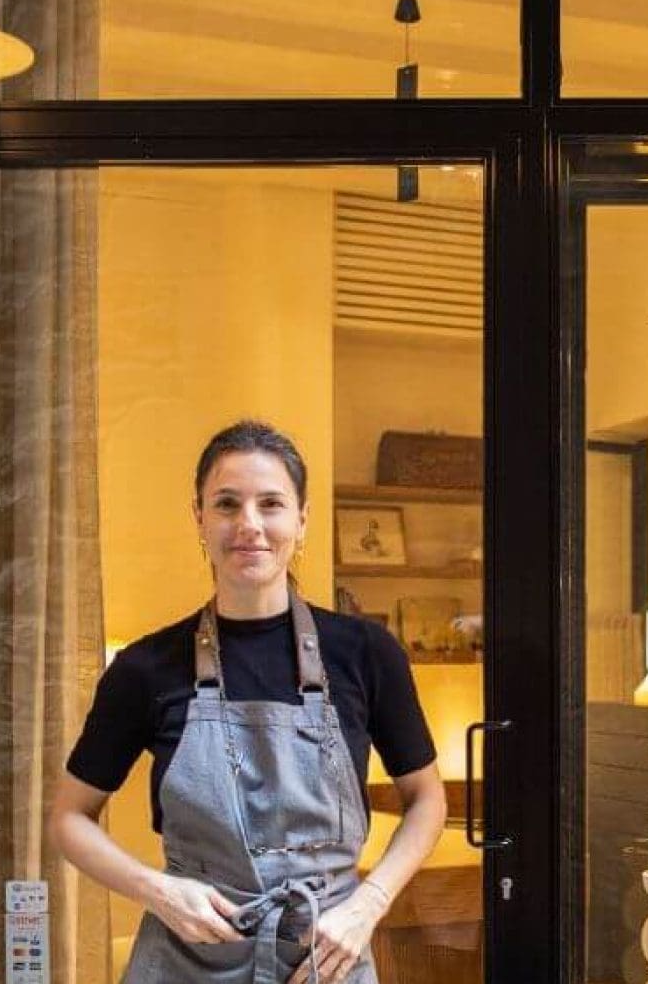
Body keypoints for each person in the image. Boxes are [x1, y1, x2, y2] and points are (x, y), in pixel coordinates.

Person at [51, 420, 446, 984]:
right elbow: (69, 818)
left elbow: (427, 799)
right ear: (200, 519)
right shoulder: (145, 668)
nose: (250, 525)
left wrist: (368, 905)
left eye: (271, 504)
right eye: (228, 504)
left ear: (301, 520)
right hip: (188, 962)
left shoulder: (365, 653)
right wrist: (158, 891)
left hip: (325, 959)